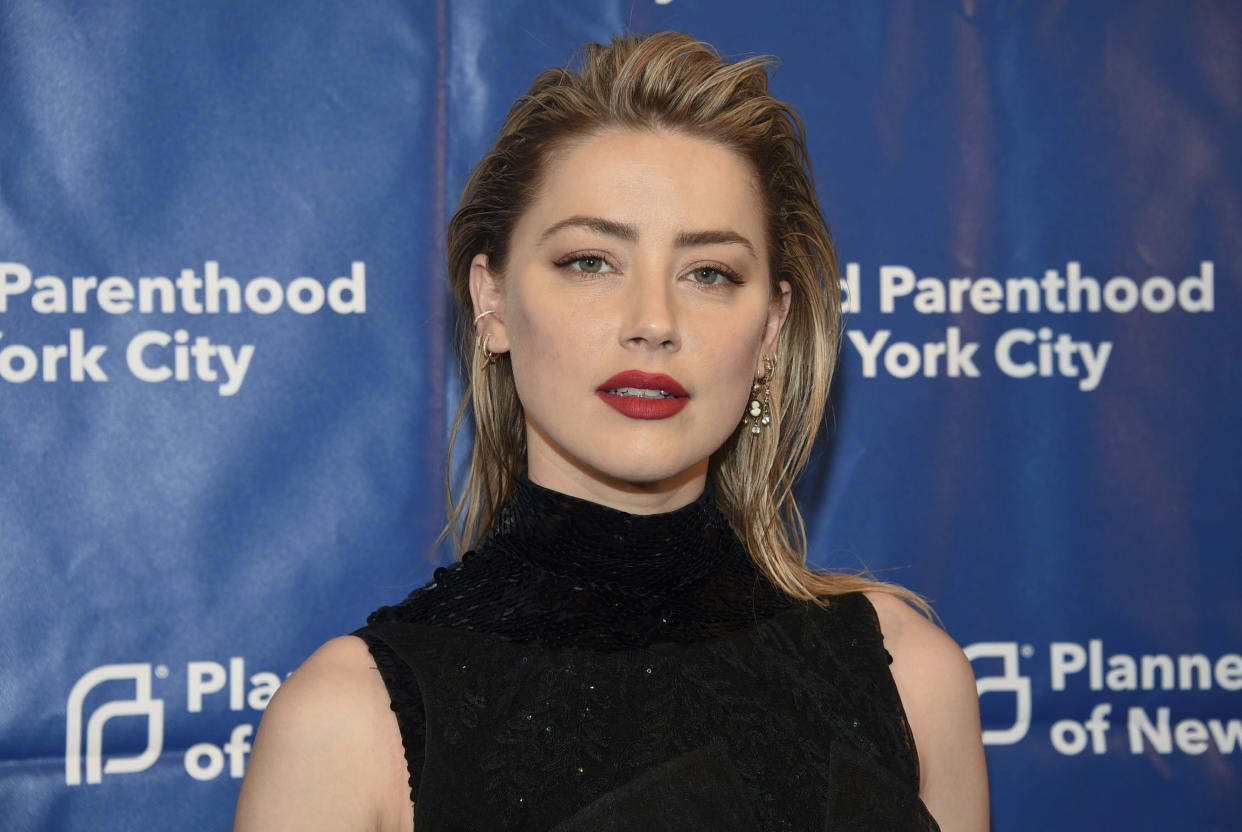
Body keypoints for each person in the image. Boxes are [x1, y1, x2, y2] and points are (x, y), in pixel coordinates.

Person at [235, 31, 989, 832]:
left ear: (770, 330)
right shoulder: (352, 722)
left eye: (710, 273)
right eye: (592, 261)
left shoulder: (912, 679)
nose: (654, 322)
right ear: (490, 302)